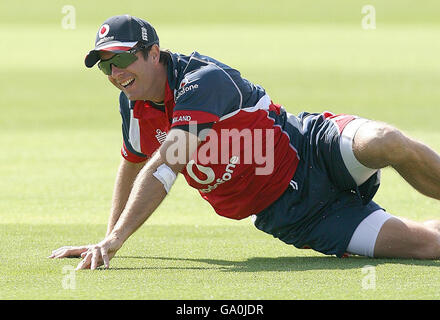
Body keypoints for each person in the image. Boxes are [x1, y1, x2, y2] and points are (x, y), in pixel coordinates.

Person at [49, 15, 440, 270]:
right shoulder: (132, 106)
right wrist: (106, 236)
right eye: (105, 66)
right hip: (298, 216)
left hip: (310, 148)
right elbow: (133, 161)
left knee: (385, 140)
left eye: (121, 61)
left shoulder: (202, 81)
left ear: (154, 53)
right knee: (429, 247)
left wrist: (115, 241)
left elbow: (168, 163)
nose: (115, 74)